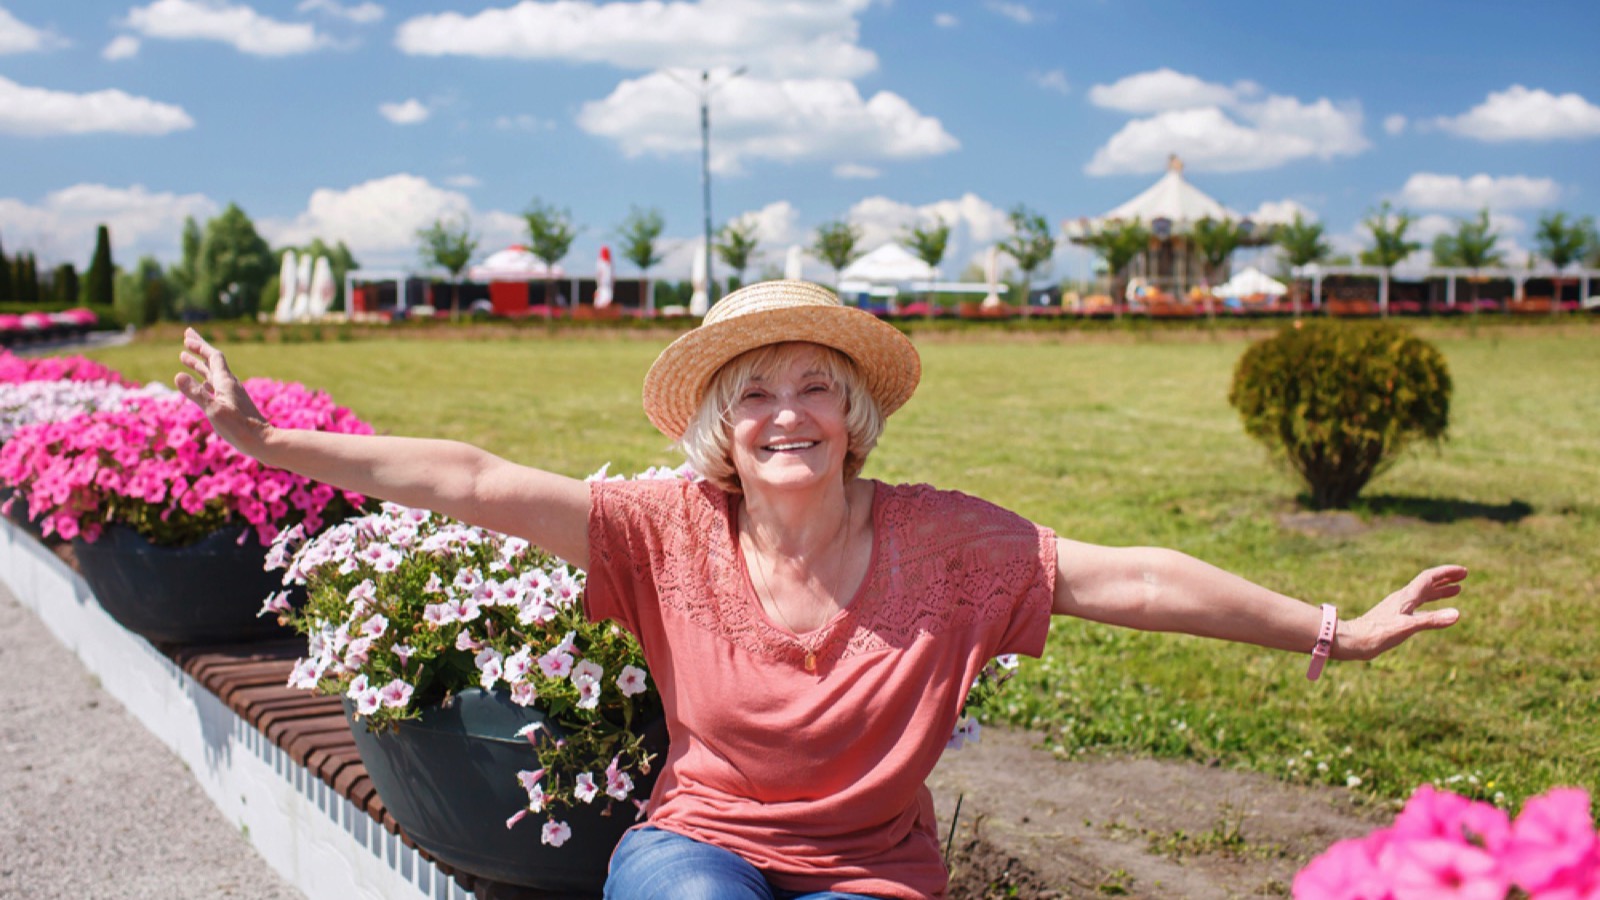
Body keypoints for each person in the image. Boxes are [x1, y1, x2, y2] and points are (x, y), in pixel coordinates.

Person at [176, 279, 1465, 900]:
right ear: (722, 433)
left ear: (851, 418)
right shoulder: (664, 529)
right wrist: (272, 442)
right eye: (754, 393)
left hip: (874, 868)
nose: (785, 413)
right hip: (703, 847)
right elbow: (466, 473)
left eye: (812, 389)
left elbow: (1127, 575)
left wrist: (1333, 630)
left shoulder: (950, 546)